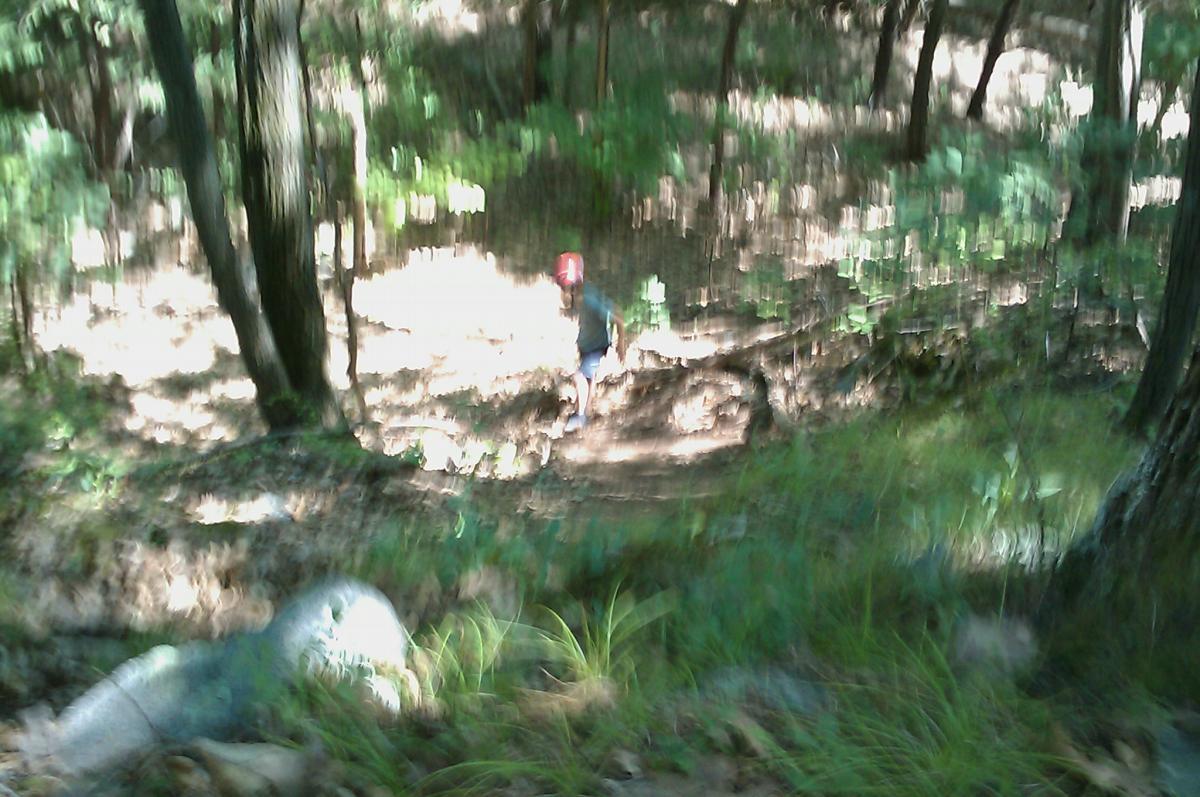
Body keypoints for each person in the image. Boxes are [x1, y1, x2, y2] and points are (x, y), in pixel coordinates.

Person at [555, 252, 627, 433]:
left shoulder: (589, 297)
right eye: (564, 286)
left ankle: (580, 416)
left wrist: (621, 345)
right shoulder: (576, 295)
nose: (565, 290)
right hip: (586, 345)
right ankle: (584, 416)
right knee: (588, 379)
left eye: (568, 286)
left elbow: (618, 315)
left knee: (579, 375)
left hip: (598, 346)